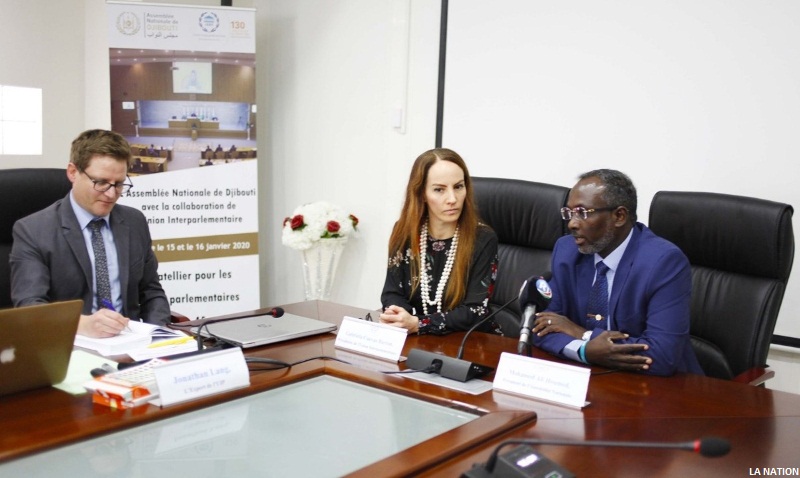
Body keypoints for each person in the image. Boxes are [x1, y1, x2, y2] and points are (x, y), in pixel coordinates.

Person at [531, 169, 702, 376]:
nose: (572, 224)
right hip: (588, 380)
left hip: (658, 390)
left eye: (583, 213)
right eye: (569, 213)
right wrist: (585, 352)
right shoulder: (567, 251)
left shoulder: (663, 262)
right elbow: (541, 328)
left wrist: (582, 334)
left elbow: (661, 356)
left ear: (619, 216)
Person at [10, 129, 171, 338]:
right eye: (101, 182)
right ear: (72, 172)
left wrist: (159, 337)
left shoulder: (134, 221)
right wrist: (83, 325)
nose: (112, 194)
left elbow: (152, 292)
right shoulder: (33, 230)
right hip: (69, 345)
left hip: (131, 344)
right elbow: (29, 308)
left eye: (119, 183)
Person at [380, 148, 499, 335]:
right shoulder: (404, 231)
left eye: (458, 187)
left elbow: (476, 311)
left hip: (469, 342)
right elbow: (392, 292)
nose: (452, 199)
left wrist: (418, 324)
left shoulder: (482, 238)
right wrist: (399, 317)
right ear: (421, 194)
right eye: (439, 190)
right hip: (415, 338)